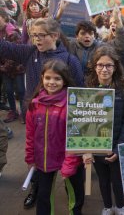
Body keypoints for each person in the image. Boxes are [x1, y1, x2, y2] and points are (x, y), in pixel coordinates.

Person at [25, 59, 84, 215]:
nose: (52, 82)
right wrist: (30, 156)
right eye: (48, 78)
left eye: (57, 78)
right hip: (44, 159)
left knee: (75, 194)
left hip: (70, 159)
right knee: (44, 196)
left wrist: (70, 163)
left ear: (64, 80)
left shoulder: (73, 104)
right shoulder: (34, 104)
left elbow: (76, 138)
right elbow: (30, 134)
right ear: (42, 78)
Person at [82, 46, 124, 215]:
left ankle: (120, 206)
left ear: (115, 67)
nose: (104, 69)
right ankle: (107, 207)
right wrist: (86, 150)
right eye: (100, 65)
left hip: (116, 144)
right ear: (94, 66)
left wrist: (119, 147)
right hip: (96, 145)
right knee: (103, 180)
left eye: (109, 65)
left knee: (117, 179)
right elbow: (83, 121)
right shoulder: (87, 89)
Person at [68, 8, 124, 75]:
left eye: (90, 33)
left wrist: (119, 23)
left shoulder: (101, 46)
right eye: (83, 33)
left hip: (93, 84)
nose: (87, 36)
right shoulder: (71, 45)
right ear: (77, 36)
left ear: (94, 35)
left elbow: (121, 44)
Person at [0, 9, 25, 123]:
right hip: (5, 69)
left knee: (20, 90)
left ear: (4, 18)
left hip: (17, 68)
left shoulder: (13, 32)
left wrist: (3, 67)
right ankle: (13, 112)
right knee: (9, 91)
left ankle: (24, 112)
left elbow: (17, 53)